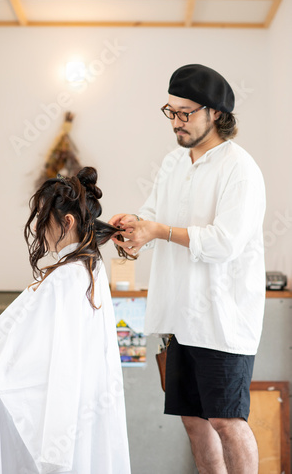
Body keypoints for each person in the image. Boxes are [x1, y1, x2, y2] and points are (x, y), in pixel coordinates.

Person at [109, 64, 266, 474]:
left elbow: (224, 242)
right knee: (195, 422)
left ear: (215, 112)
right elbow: (153, 213)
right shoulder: (173, 164)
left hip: (222, 320)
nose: (176, 122)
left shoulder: (240, 168)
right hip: (179, 316)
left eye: (186, 113)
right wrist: (134, 226)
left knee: (227, 422)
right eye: (171, 111)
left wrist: (158, 229)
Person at [0, 167, 131, 474]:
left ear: (68, 221)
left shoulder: (65, 278)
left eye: (43, 218)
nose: (38, 226)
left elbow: (26, 361)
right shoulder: (92, 269)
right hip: (85, 408)